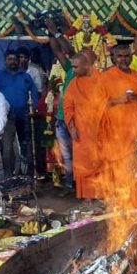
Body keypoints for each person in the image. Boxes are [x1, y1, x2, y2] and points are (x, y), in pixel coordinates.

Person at [97, 44, 137, 209]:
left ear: (131, 57)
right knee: (117, 169)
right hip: (115, 133)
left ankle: (134, 201)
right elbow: (97, 104)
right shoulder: (105, 77)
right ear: (113, 58)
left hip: (135, 132)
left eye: (126, 56)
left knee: (135, 169)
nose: (123, 59)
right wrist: (118, 100)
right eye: (119, 56)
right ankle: (118, 203)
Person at [0, 49, 38, 177]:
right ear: (5, 60)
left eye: (15, 59)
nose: (13, 62)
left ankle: (27, 173)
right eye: (10, 59)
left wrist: (34, 108)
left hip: (24, 116)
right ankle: (9, 175)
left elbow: (34, 94)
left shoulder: (25, 77)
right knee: (7, 147)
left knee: (26, 145)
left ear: (19, 61)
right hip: (6, 117)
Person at [62, 52, 104, 201]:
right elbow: (68, 108)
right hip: (81, 132)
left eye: (76, 67)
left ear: (87, 65)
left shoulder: (102, 79)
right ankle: (87, 197)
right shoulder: (74, 84)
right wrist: (72, 128)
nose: (73, 70)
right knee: (84, 163)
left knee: (101, 161)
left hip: (101, 130)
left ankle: (101, 195)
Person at [47, 19, 76, 192]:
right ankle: (70, 184)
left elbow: (70, 51)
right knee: (67, 156)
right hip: (60, 120)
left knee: (77, 155)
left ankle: (80, 185)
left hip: (75, 121)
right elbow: (57, 51)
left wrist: (56, 32)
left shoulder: (86, 73)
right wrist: (50, 33)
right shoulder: (71, 70)